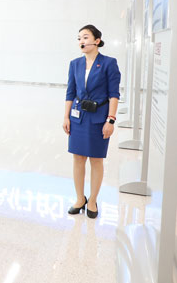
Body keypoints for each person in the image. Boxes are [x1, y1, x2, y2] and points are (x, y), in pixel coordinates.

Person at [64, 24, 120, 219]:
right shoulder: (75, 64)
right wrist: (66, 117)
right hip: (78, 117)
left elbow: (114, 94)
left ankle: (93, 200)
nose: (82, 41)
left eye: (86, 37)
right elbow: (70, 92)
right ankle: (80, 199)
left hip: (99, 117)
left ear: (97, 41)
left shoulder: (108, 63)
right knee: (78, 158)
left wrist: (110, 120)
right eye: (79, 38)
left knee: (96, 159)